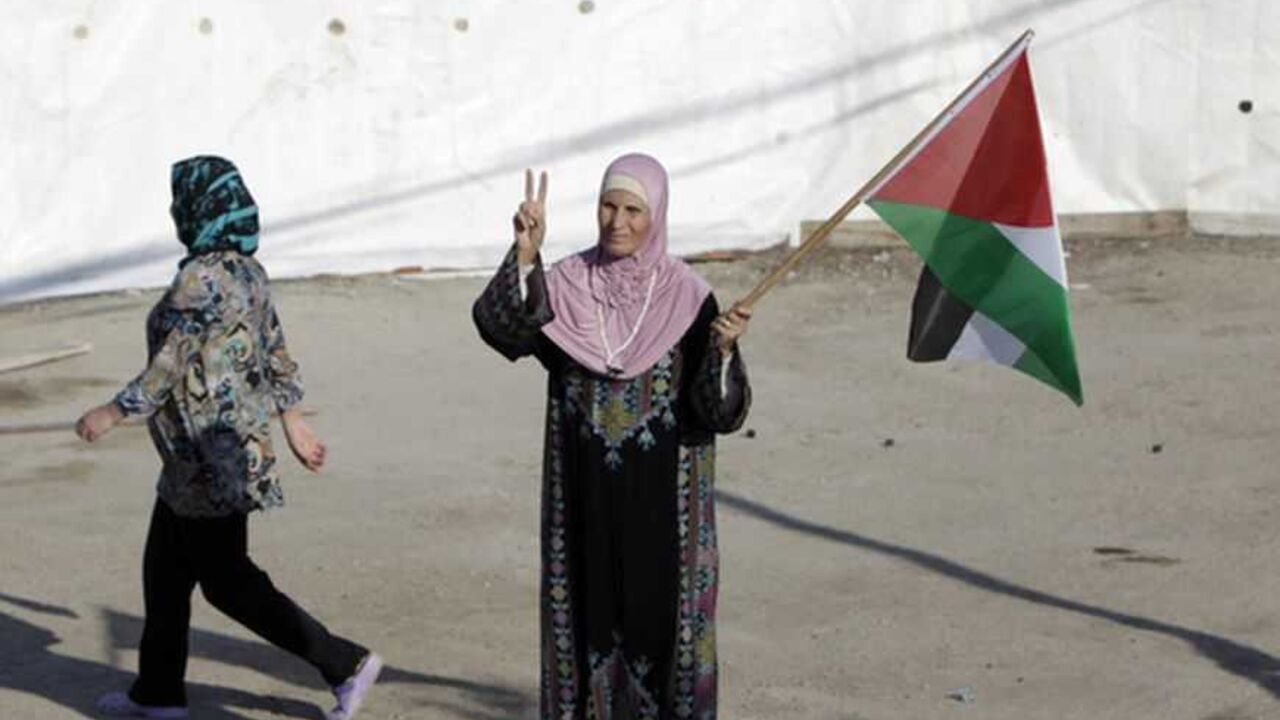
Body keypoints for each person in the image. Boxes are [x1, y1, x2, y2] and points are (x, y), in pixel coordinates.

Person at [75, 155, 381, 720]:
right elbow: (275, 350)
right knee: (164, 571)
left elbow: (170, 362)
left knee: (229, 583)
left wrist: (112, 412)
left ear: (197, 208)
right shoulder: (248, 272)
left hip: (209, 462)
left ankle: (345, 663)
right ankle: (159, 694)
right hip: (212, 459)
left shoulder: (201, 279)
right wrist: (293, 420)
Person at [473, 153, 752, 719]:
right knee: (584, 622)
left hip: (664, 513)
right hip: (583, 500)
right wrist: (526, 255)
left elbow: (714, 413)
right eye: (608, 205)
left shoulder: (690, 298)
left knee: (662, 631)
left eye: (633, 210)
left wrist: (721, 352)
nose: (617, 222)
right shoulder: (568, 286)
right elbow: (504, 332)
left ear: (658, 215)